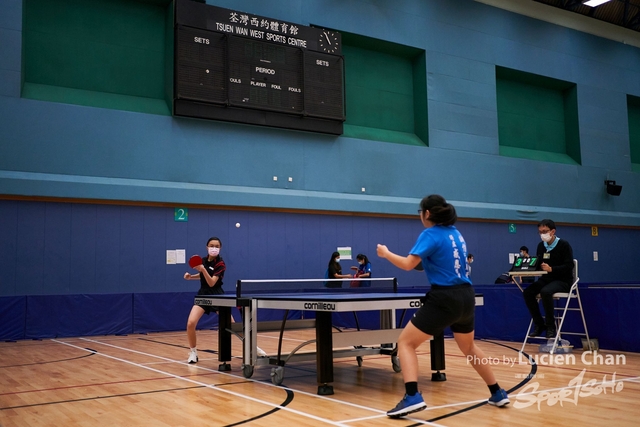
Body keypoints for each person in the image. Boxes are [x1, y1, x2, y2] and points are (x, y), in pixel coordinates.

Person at [376, 195, 509, 418]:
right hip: (467, 297)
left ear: (427, 213)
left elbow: (409, 265)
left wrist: (386, 253)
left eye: (420, 211)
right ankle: (497, 392)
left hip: (445, 297)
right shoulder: (455, 233)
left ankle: (412, 397)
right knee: (469, 347)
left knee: (405, 343)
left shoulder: (429, 233)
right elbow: (435, 261)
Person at [523, 219, 574, 339]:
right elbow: (539, 264)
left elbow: (569, 265)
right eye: (540, 232)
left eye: (545, 231)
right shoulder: (541, 246)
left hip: (563, 280)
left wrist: (552, 269)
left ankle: (551, 327)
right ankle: (539, 324)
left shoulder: (564, 245)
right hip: (546, 279)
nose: (542, 234)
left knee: (546, 292)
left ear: (553, 231)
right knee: (528, 292)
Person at [183, 237, 227, 364]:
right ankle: (193, 352)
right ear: (207, 247)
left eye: (217, 246)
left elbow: (212, 282)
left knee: (232, 326)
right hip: (203, 295)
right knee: (191, 323)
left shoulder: (220, 264)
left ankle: (253, 349)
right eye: (211, 245)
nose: (214, 248)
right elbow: (203, 276)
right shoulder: (202, 260)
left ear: (220, 248)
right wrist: (191, 277)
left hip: (217, 295)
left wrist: (202, 269)